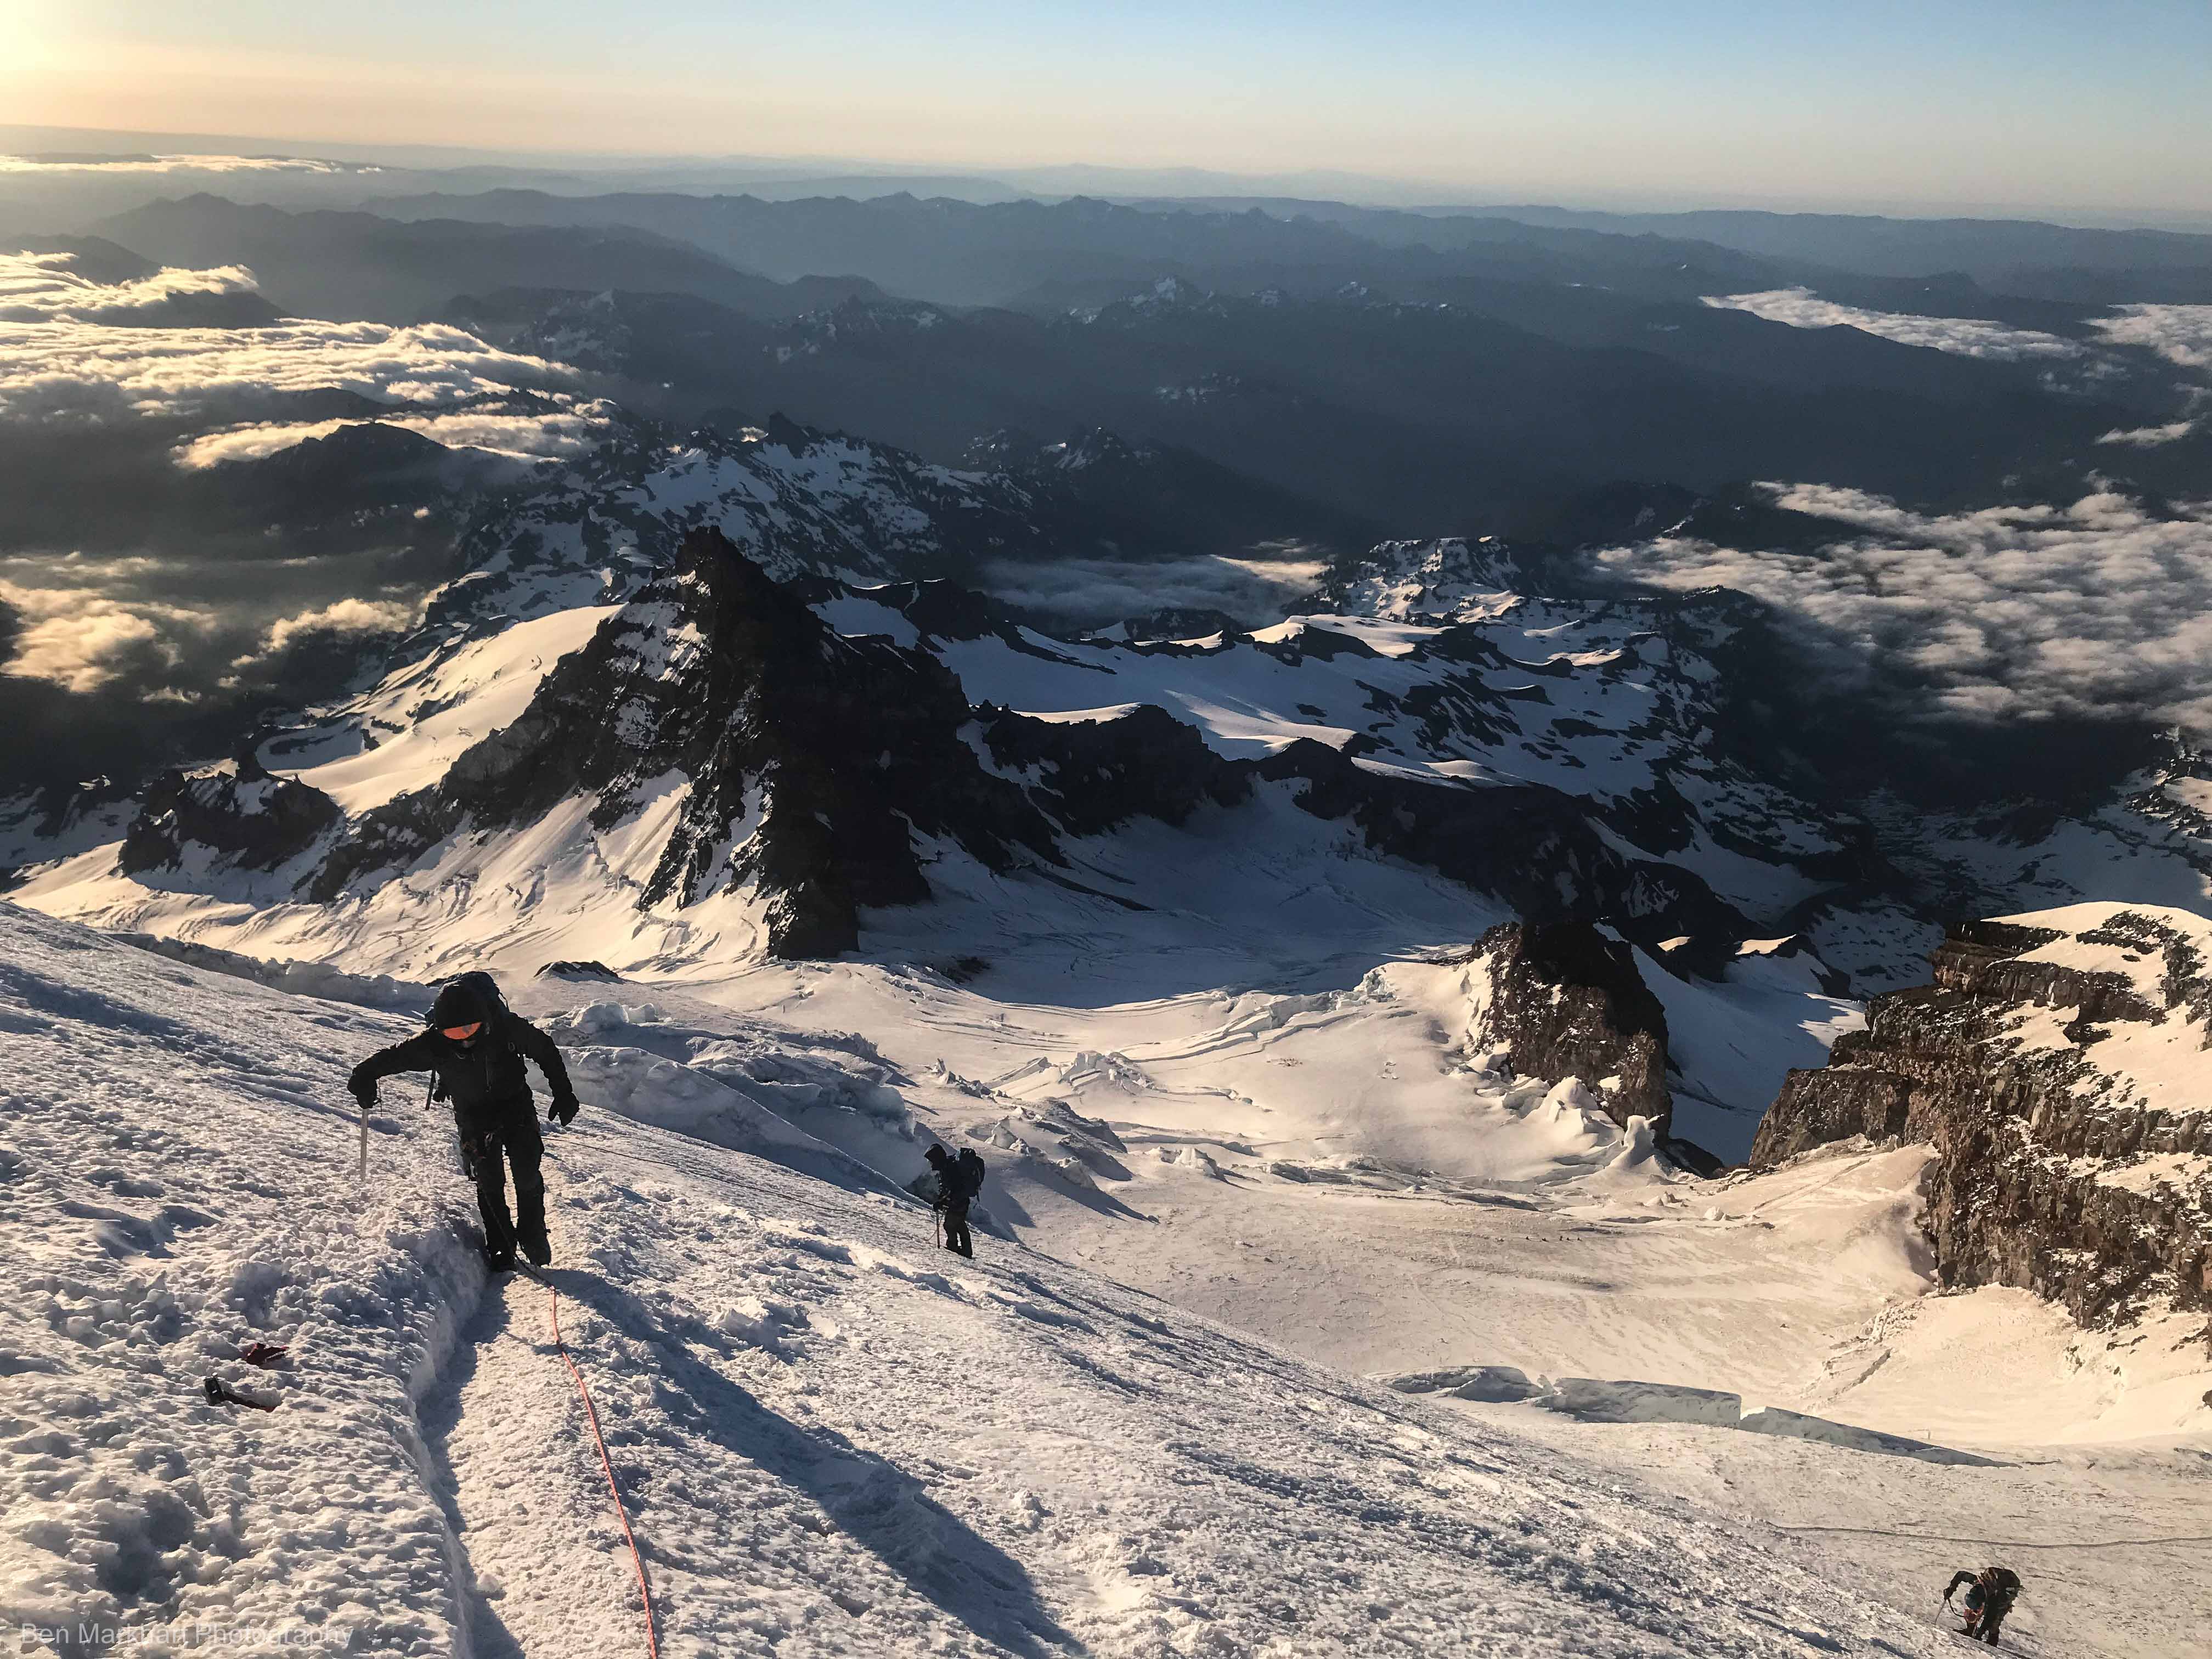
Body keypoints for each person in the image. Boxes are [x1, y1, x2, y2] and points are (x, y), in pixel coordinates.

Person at [351, 977, 579, 1272]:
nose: (464, 1039)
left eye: (469, 1030)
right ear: (440, 1030)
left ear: (484, 1021)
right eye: (454, 1033)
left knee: (526, 1172)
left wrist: (564, 1093)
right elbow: (391, 1059)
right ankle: (500, 1243)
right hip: (474, 1118)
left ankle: (533, 1233)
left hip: (516, 1109)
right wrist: (363, 1077)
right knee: (489, 1181)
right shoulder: (433, 1045)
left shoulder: (506, 1027)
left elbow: (545, 1049)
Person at [922, 1143, 985, 1259]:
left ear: (937, 1158)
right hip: (961, 1201)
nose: (930, 1164)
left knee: (950, 1225)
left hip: (958, 1202)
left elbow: (952, 1189)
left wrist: (942, 1202)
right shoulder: (947, 1166)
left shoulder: (948, 1168)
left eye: (931, 1161)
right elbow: (948, 1188)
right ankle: (966, 1250)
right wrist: (943, 1200)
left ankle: (954, 1247)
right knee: (959, 1224)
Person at [1943, 1566, 2021, 1645]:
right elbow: (1961, 1574)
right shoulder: (1977, 1582)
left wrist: (1978, 1635)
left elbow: (1989, 1618)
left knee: (1994, 1622)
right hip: (1994, 1592)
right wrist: (1951, 1589)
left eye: (1978, 1609)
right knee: (1971, 1615)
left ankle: (1992, 1639)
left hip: (2004, 1596)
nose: (1976, 1612)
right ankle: (1970, 1630)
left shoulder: (1998, 1599)